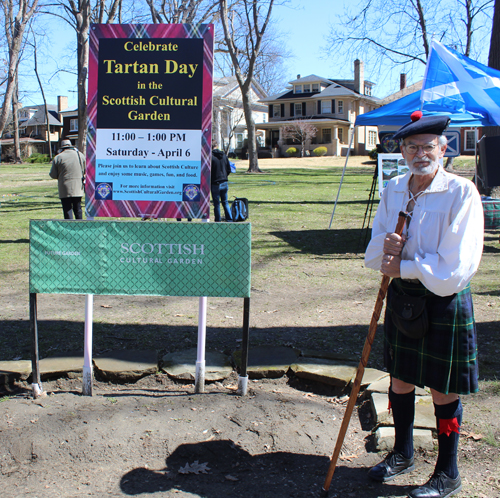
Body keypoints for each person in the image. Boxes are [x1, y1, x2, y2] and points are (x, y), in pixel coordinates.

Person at [365, 112, 484, 498]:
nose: (421, 153)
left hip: (442, 300)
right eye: (412, 147)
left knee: (442, 389)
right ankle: (402, 453)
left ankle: (447, 472)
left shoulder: (461, 193)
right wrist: (388, 256)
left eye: (428, 146)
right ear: (401, 150)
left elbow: (454, 268)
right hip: (403, 297)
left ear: (443, 148)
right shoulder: (395, 188)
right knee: (399, 379)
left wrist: (404, 264)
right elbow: (374, 250)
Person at [49, 139, 86, 219]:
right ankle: (80, 226)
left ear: (62, 148)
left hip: (64, 187)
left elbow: (53, 175)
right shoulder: (80, 155)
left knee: (67, 209)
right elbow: (85, 170)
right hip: (78, 186)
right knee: (78, 208)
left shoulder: (58, 157)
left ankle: (69, 228)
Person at [211, 140, 233, 222]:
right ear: (216, 146)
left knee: (216, 204)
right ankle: (229, 219)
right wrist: (224, 176)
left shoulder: (210, 157)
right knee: (225, 202)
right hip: (224, 181)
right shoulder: (224, 155)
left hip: (215, 183)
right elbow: (229, 169)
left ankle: (218, 220)